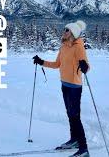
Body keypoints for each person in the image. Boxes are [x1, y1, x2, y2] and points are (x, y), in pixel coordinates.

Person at [33, 20, 90, 157]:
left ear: (73, 33)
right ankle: (74, 140)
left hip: (75, 86)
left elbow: (87, 66)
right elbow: (57, 64)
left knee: (75, 117)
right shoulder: (63, 46)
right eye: (64, 29)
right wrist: (42, 62)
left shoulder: (78, 46)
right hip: (64, 84)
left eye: (67, 30)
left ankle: (84, 149)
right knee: (70, 114)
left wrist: (84, 66)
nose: (64, 31)